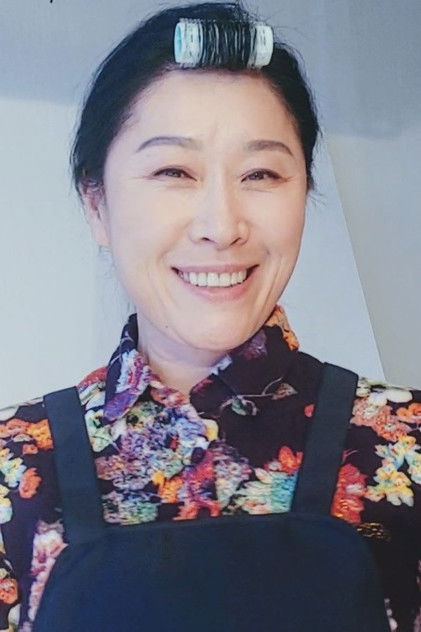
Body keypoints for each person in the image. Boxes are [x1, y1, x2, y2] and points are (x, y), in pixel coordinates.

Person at [0, 2, 420, 631]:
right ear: (97, 204)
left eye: (261, 172)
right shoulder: (13, 463)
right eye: (173, 171)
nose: (222, 226)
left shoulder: (406, 442)